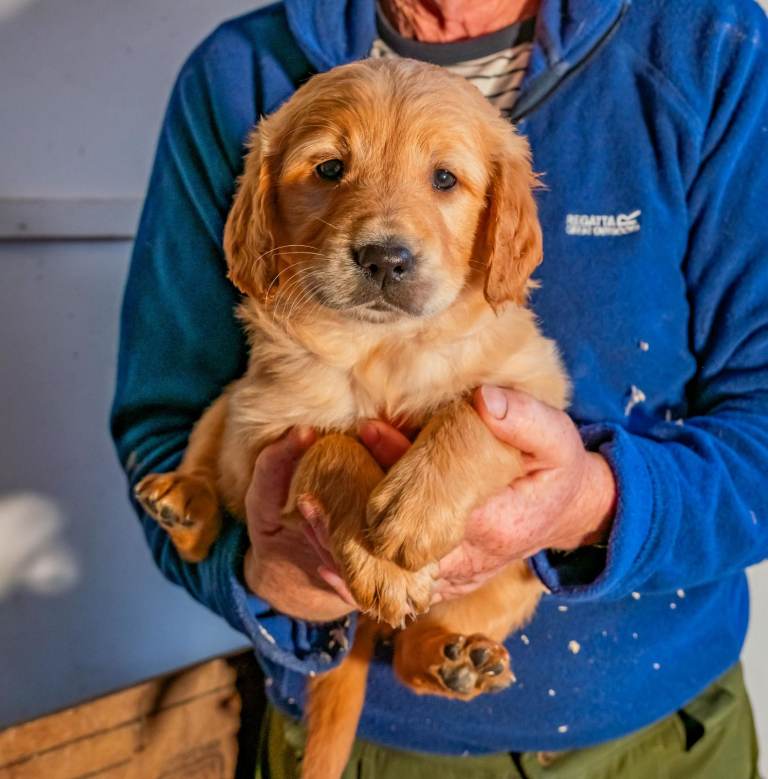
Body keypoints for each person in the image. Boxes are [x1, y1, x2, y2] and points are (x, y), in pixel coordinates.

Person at [111, 0, 768, 775]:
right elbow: (167, 424)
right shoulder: (237, 73)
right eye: (329, 170)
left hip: (661, 736)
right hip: (368, 747)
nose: (385, 241)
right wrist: (267, 579)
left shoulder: (709, 49)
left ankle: (436, 643)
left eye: (446, 179)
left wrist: (586, 502)